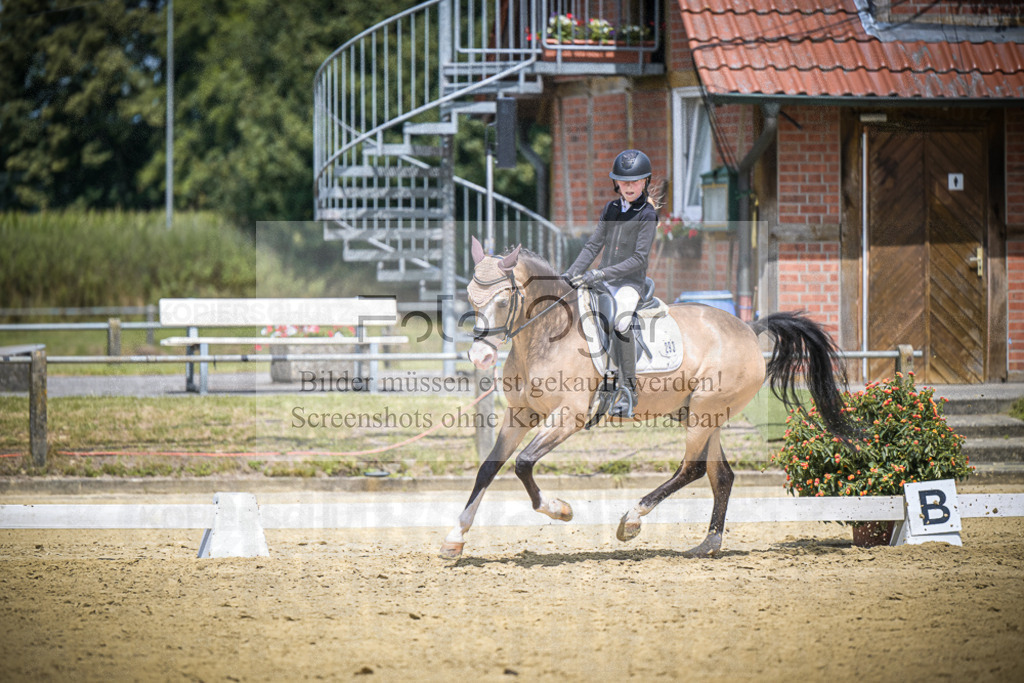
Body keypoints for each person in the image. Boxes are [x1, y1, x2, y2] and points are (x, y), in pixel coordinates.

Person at [563, 149, 658, 419]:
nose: (629, 186)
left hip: (629, 284)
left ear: (645, 182)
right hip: (602, 280)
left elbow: (639, 259)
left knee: (621, 322)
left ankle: (627, 390)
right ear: (616, 183)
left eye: (635, 181)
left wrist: (601, 275)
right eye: (624, 181)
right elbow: (594, 244)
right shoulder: (611, 208)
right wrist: (569, 275)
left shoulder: (647, 215)